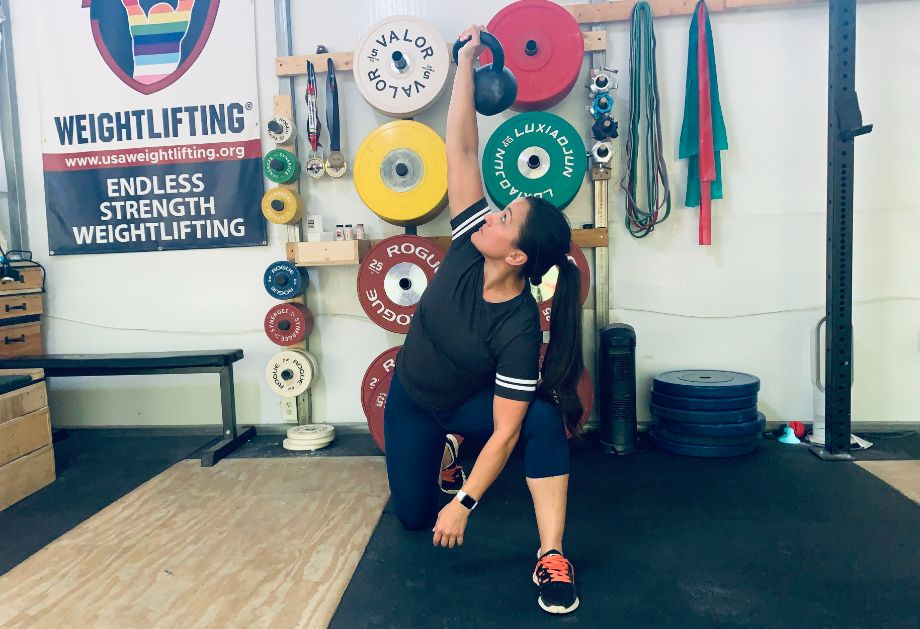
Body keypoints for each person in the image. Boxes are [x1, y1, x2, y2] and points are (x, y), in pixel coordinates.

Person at [382, 24, 585, 615]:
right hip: (413, 399)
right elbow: (463, 149)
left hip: (470, 408)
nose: (493, 211)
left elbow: (505, 432)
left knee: (540, 421)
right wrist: (466, 62)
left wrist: (466, 503)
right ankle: (444, 458)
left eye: (508, 216)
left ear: (517, 254)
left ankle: (552, 554)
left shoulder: (521, 327)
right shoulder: (473, 242)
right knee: (415, 517)